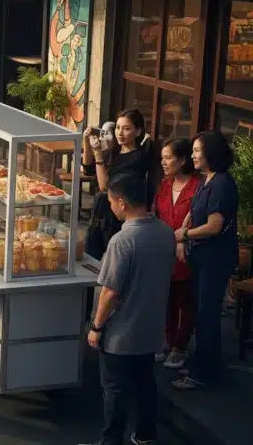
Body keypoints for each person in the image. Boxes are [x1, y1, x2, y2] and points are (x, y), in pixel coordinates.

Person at [84, 173, 175, 445]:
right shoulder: (166, 233)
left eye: (111, 201)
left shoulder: (122, 241)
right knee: (146, 383)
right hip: (152, 328)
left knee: (115, 389)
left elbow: (110, 292)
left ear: (121, 202)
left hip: (121, 333)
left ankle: (111, 440)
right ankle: (146, 435)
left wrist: (96, 327)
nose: (111, 207)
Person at [172, 131, 239, 391]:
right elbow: (193, 210)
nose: (193, 155)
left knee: (207, 314)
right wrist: (183, 234)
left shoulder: (222, 184)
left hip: (215, 259)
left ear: (210, 153)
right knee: (198, 311)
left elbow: (214, 225)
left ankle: (204, 373)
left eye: (197, 150)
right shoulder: (205, 180)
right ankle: (200, 362)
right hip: (199, 257)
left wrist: (185, 234)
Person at [153, 139, 200, 370]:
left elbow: (197, 219)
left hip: (188, 253)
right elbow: (156, 213)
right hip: (165, 251)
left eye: (168, 157)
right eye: (162, 157)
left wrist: (183, 237)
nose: (163, 162)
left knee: (185, 301)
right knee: (167, 298)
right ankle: (168, 341)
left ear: (182, 160)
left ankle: (180, 347)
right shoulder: (164, 185)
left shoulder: (197, 187)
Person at [82, 109, 152, 260]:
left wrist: (98, 152)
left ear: (138, 131)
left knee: (112, 259)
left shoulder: (138, 159)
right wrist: (86, 141)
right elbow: (87, 168)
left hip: (116, 213)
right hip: (100, 209)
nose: (120, 133)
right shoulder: (113, 151)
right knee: (90, 256)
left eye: (127, 129)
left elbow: (105, 186)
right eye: (118, 128)